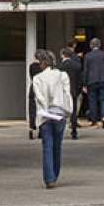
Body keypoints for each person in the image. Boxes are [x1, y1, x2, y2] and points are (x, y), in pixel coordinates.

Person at [30, 49, 72, 188]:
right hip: (60, 112)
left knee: (47, 146)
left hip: (46, 115)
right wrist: (68, 111)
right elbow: (67, 93)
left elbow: (39, 98)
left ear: (42, 63)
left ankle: (49, 178)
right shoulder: (62, 75)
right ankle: (55, 173)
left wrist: (45, 110)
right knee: (57, 146)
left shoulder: (37, 78)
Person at [81, 38, 104, 127]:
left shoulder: (88, 56)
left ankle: (93, 119)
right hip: (103, 80)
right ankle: (103, 117)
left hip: (91, 81)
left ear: (91, 46)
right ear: (100, 45)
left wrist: (84, 83)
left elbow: (85, 70)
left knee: (92, 100)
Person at [58, 44, 85, 140]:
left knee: (62, 111)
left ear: (63, 55)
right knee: (73, 111)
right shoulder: (77, 66)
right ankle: (74, 131)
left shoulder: (60, 67)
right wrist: (79, 89)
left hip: (63, 91)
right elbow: (80, 79)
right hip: (73, 90)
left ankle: (60, 130)